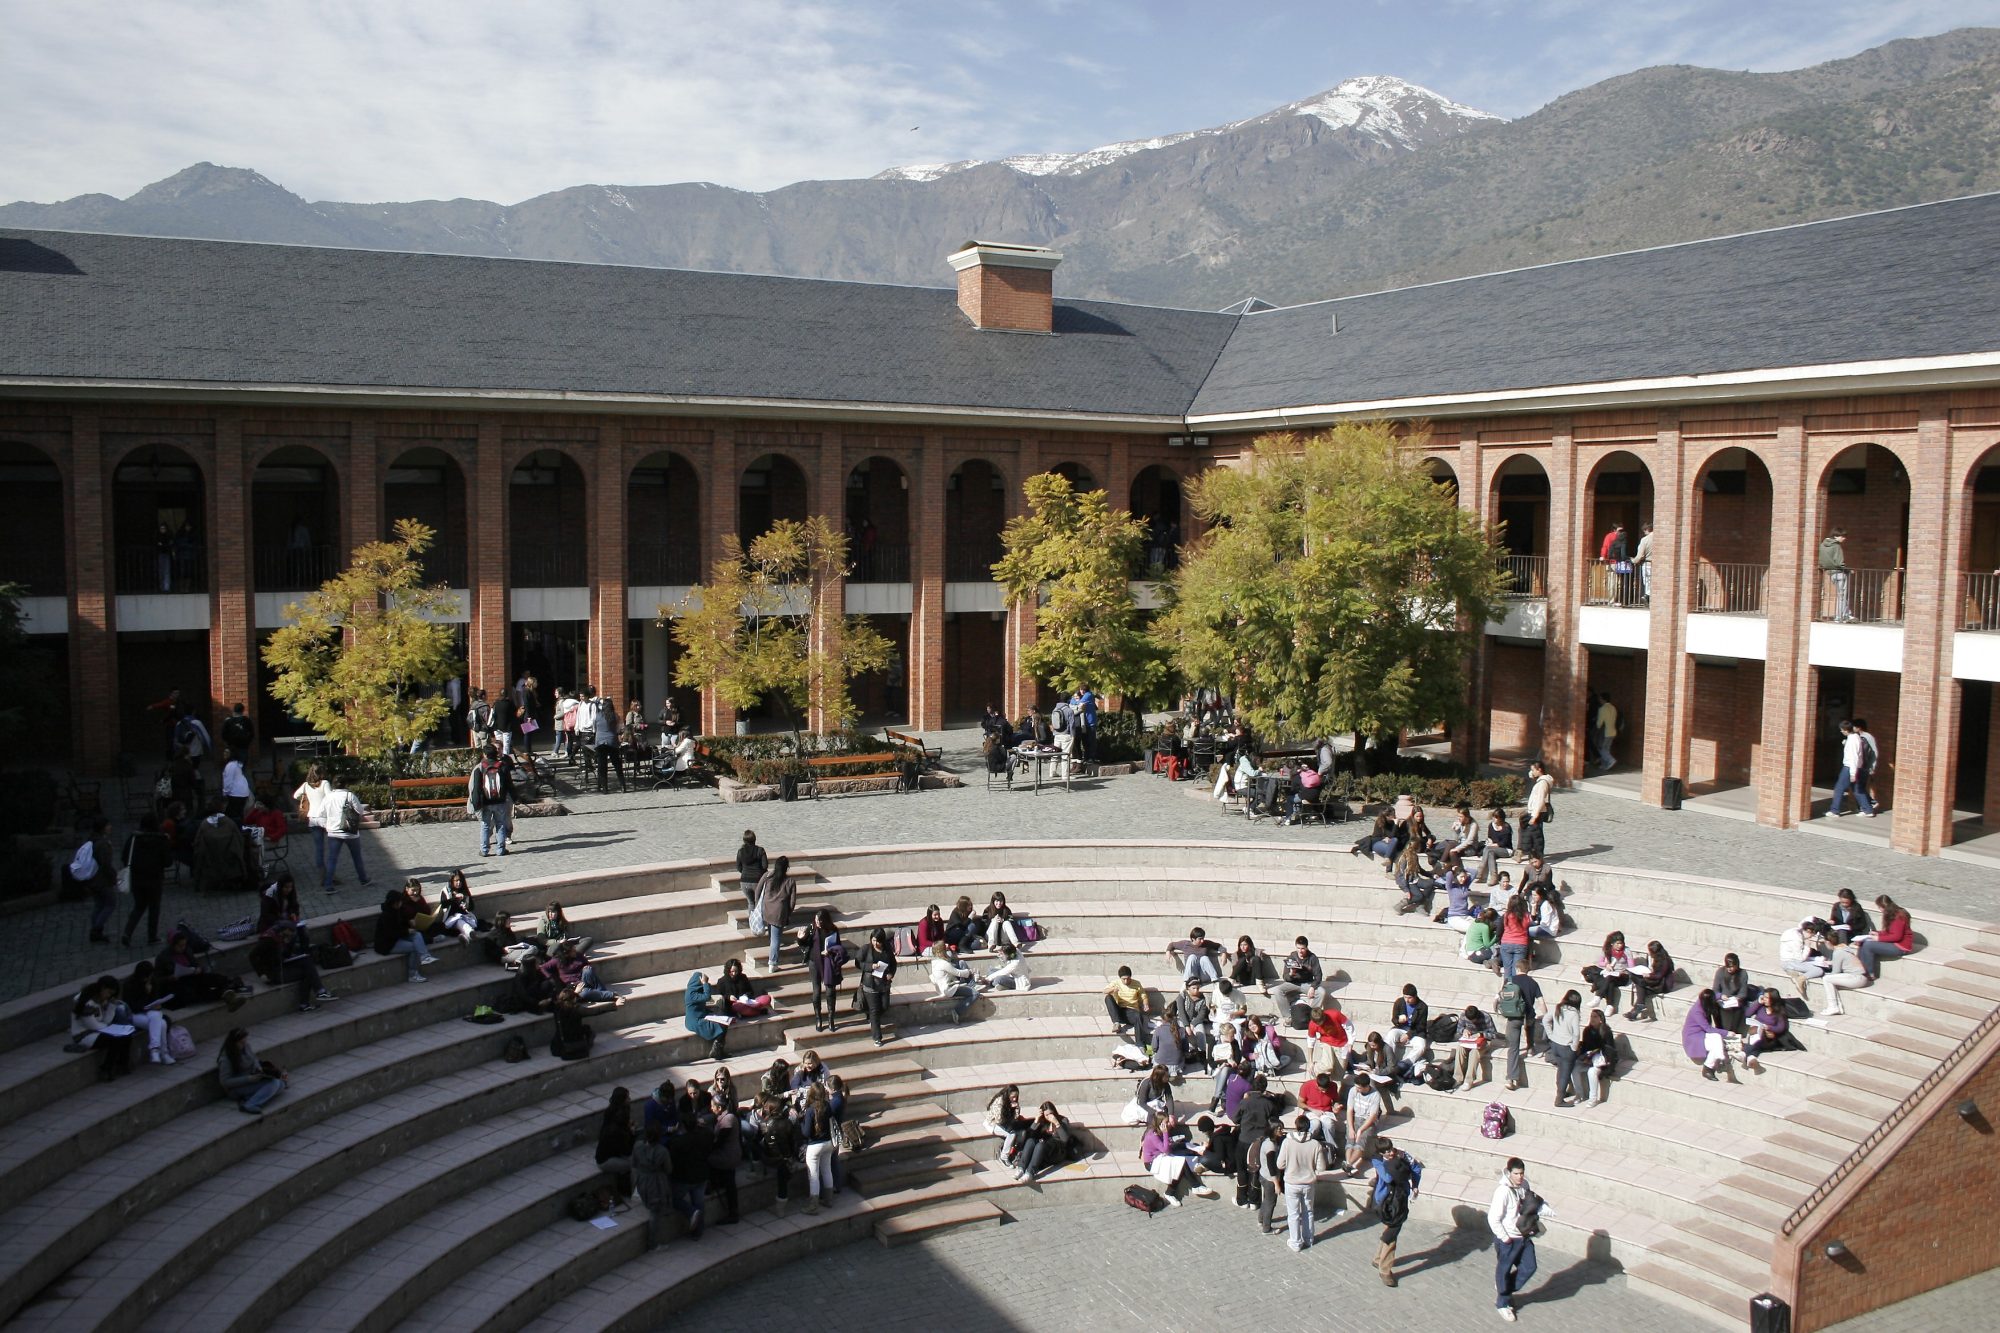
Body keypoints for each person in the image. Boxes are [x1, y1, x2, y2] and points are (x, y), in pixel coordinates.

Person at [1489, 1157, 1542, 1320]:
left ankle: (1504, 1288)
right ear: (1509, 1172)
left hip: (1524, 1235)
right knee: (1504, 1270)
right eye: (1516, 1173)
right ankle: (1503, 1303)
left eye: (1522, 1173)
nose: (1520, 1177)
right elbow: (1493, 1218)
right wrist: (1505, 1238)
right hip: (1509, 1238)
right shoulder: (1502, 1192)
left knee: (1530, 1266)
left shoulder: (1524, 1185)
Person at [1371, 1138, 1423, 1287]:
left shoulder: (1401, 1155)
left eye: (1391, 1149)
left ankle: (1378, 1259)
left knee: (1391, 1228)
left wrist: (1415, 1185)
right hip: (1385, 1200)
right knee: (1392, 1230)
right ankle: (1385, 1270)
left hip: (1399, 1198)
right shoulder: (1378, 1160)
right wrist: (1397, 1164)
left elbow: (1416, 1168)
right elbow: (1387, 1177)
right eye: (1386, 1151)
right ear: (1380, 1152)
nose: (1390, 1153)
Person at [1139, 1111, 1210, 1206]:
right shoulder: (1153, 1135)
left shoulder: (1157, 1131)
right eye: (1166, 1122)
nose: (1168, 1124)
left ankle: (1170, 1193)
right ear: (1160, 1124)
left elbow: (1165, 1145)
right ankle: (1195, 1186)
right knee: (1181, 1162)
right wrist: (1165, 1133)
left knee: (1180, 1163)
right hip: (1152, 1162)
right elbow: (1166, 1150)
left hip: (1160, 1156)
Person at [70, 975, 135, 1080]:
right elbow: (93, 1025)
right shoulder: (86, 1001)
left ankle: (122, 1064)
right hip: (84, 1035)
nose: (109, 997)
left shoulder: (102, 1000)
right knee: (115, 1039)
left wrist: (111, 1006)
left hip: (98, 1031)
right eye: (109, 993)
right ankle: (106, 1069)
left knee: (126, 1035)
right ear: (103, 988)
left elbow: (105, 1021)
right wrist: (109, 1028)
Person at [1276, 1114, 1322, 1251]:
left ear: (1296, 1126)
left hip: (1292, 1182)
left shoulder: (1287, 1142)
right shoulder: (1315, 1144)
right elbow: (1321, 1167)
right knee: (1308, 1211)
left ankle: (1295, 1242)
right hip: (1308, 1183)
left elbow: (1280, 1164)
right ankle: (1309, 1239)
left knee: (1293, 1213)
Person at [666, 1108, 713, 1238]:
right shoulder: (706, 1135)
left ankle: (691, 1212)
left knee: (674, 1199)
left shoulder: (677, 1142)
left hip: (684, 1178)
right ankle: (698, 1232)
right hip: (701, 1175)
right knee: (699, 1202)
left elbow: (672, 1159)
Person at [216, 1027, 286, 1114]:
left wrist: (258, 1068)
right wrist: (248, 1079)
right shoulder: (226, 1059)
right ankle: (250, 1104)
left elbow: (254, 1059)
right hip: (236, 1088)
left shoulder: (246, 1047)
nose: (244, 1044)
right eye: (241, 1043)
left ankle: (247, 1097)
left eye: (245, 1041)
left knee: (281, 1085)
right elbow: (224, 1081)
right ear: (233, 1043)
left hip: (252, 1078)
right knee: (274, 1083)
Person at [71, 817, 117, 945]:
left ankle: (96, 930)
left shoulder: (92, 841)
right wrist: (113, 877)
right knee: (110, 904)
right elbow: (106, 865)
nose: (110, 827)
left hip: (92, 879)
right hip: (102, 881)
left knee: (99, 905)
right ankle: (96, 930)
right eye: (108, 825)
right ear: (103, 828)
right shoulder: (103, 844)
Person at [374, 889, 436, 983]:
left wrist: (409, 922)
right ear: (394, 903)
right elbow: (392, 933)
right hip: (388, 944)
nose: (401, 903)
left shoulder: (397, 910)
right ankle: (412, 974)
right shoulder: (386, 916)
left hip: (398, 937)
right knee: (414, 947)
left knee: (417, 934)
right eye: (399, 901)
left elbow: (401, 923)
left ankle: (424, 956)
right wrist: (407, 931)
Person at [1499, 965, 1544, 1091]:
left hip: (1513, 1017)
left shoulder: (1509, 980)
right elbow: (1541, 1002)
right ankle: (1530, 1048)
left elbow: (1498, 997)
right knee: (1530, 1025)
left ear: (1517, 969)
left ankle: (1510, 1079)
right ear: (1527, 969)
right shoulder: (1533, 983)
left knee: (1513, 1048)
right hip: (1528, 1015)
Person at [319, 781, 370, 892]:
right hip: (350, 832)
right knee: (357, 857)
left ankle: (328, 885)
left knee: (332, 859)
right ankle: (363, 879)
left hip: (333, 832)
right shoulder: (349, 795)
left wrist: (327, 826)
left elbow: (321, 813)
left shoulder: (328, 797)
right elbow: (360, 811)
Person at [804, 909, 848, 1034]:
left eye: (820, 920)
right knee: (816, 992)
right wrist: (800, 938)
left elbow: (838, 947)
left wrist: (830, 951)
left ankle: (830, 1018)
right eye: (816, 920)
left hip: (828, 962)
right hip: (814, 962)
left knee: (830, 991)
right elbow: (804, 944)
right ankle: (818, 1019)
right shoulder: (812, 928)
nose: (817, 922)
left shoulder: (833, 930)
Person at [468, 746, 517, 857]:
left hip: (486, 802)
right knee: (500, 824)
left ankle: (484, 850)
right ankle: (501, 849)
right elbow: (509, 784)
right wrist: (515, 798)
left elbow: (476, 788)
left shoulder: (480, 768)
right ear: (496, 754)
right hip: (500, 801)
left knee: (485, 825)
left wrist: (475, 804)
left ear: (485, 755)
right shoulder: (503, 766)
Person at [752, 855, 798, 972]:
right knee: (776, 939)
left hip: (766, 909)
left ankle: (772, 951)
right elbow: (792, 902)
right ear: (787, 867)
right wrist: (788, 913)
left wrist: (758, 904)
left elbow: (757, 890)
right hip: (779, 913)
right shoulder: (790, 881)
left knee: (772, 935)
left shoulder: (767, 876)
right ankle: (773, 963)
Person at [799, 1082, 837, 1215]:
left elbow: (806, 1133)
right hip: (828, 1143)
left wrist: (801, 1123)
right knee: (827, 1170)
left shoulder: (810, 1110)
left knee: (813, 1175)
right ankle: (829, 1200)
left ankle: (813, 1206)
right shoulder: (828, 1106)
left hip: (815, 1146)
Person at [1270, 936, 1325, 1027]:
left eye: (1303, 948)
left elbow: (1318, 976)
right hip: (1293, 983)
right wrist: (1291, 974)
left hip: (1307, 983)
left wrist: (1312, 987)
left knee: (1321, 992)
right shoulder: (1292, 956)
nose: (1300, 951)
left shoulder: (1312, 958)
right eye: (1298, 948)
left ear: (1306, 947)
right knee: (1277, 990)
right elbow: (1285, 977)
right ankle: (1288, 1017)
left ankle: (1312, 1015)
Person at [1683, 987, 1735, 1082]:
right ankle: (1708, 1068)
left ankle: (1719, 1058)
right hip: (1694, 1038)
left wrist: (1720, 996)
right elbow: (1708, 1028)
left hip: (1701, 1034)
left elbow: (1711, 994)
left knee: (1717, 1038)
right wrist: (1727, 1033)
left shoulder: (1703, 1000)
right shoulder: (1697, 1012)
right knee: (1715, 1045)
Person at [857, 927, 897, 1046]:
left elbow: (893, 963)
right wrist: (870, 967)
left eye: (878, 941)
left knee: (884, 1006)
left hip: (884, 984)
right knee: (874, 1011)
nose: (876, 943)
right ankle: (877, 1037)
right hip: (870, 985)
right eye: (873, 940)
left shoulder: (887, 949)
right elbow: (858, 963)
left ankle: (872, 1018)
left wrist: (891, 974)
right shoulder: (866, 949)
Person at [1858, 895, 1914, 978]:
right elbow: (1890, 932)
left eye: (1879, 907)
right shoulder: (1891, 914)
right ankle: (1860, 970)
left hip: (1901, 946)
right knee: (1863, 942)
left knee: (1868, 945)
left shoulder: (1899, 916)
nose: (1879, 909)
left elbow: (1896, 936)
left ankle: (1869, 973)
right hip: (1894, 943)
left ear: (1884, 907)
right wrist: (1878, 933)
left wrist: (1878, 938)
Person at [596, 1087, 636, 1205]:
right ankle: (634, 1192)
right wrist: (631, 1133)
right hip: (605, 1160)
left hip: (613, 1152)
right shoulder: (617, 1132)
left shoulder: (611, 1114)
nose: (629, 1099)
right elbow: (626, 1150)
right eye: (627, 1097)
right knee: (635, 1164)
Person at [1014, 1101, 1074, 1181]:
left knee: (1040, 1145)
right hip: (1044, 1150)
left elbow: (1065, 1139)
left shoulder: (1063, 1120)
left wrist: (1057, 1123)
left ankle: (1030, 1172)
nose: (1049, 1117)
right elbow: (1029, 1136)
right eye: (1046, 1115)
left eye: (1051, 1114)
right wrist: (1036, 1121)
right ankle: (1021, 1168)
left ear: (1054, 1112)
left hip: (1057, 1151)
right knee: (1030, 1141)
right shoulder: (1043, 1121)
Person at [1828, 720, 1875, 818]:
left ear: (1845, 730)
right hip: (1858, 767)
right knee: (1857, 789)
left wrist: (1853, 773)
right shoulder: (1856, 737)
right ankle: (1867, 810)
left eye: (1842, 730)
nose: (1841, 732)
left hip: (1850, 767)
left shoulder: (1852, 740)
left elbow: (1853, 757)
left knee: (1839, 788)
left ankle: (1834, 810)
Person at [292, 763, 333, 873]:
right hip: (324, 817)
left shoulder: (306, 785)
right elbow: (330, 798)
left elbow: (295, 795)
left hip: (312, 818)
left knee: (319, 847)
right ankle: (330, 872)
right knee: (333, 845)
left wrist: (306, 798)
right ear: (321, 773)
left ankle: (322, 872)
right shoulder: (324, 783)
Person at [1343, 1070, 1386, 1174]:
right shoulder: (1353, 1090)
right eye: (1356, 1087)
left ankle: (1348, 1164)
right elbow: (1349, 1110)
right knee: (1350, 1140)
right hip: (1356, 1117)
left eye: (1359, 1088)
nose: (1357, 1089)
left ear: (1366, 1086)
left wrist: (1360, 1130)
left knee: (1360, 1141)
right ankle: (1349, 1166)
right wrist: (1351, 1128)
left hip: (1368, 1121)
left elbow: (1372, 1116)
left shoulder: (1375, 1095)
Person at [1545, 990, 1583, 1108]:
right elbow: (1576, 1034)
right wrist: (1574, 1046)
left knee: (1560, 1069)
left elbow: (1545, 1020)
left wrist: (1551, 1035)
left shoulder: (1558, 1007)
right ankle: (1559, 1100)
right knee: (1565, 1073)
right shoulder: (1574, 1013)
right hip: (1566, 1047)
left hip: (1555, 1045)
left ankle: (1560, 1092)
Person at [1816, 941, 1872, 1016]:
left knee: (1826, 979)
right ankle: (1838, 1007)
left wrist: (1823, 973)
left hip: (1857, 978)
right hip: (1860, 977)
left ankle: (1833, 1007)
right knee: (1831, 982)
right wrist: (1831, 963)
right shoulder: (1843, 948)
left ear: (1828, 942)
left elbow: (1835, 972)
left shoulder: (1837, 952)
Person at [1575, 1007, 1618, 1106]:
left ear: (1600, 1019)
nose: (1592, 1019)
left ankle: (1593, 1099)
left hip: (1602, 1062)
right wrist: (1585, 1056)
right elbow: (1586, 1047)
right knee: (1574, 1068)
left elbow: (1609, 1051)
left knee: (1591, 1072)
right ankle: (1579, 1094)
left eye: (1595, 1017)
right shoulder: (1587, 1030)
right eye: (1591, 1016)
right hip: (1590, 1059)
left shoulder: (1606, 1032)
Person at [1779, 917, 1831, 997]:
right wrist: (1807, 945)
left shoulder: (1795, 931)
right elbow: (1800, 959)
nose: (1810, 938)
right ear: (1808, 931)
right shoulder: (1796, 939)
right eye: (1811, 936)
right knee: (1819, 971)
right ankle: (1801, 979)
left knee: (1821, 960)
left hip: (1792, 959)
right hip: (1789, 962)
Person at [928, 942, 978, 1022]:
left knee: (961, 963)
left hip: (941, 988)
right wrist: (970, 971)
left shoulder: (934, 962)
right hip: (948, 990)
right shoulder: (944, 964)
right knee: (975, 994)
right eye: (945, 948)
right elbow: (959, 973)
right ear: (943, 951)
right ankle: (957, 1011)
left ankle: (971, 985)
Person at [1743, 989, 1791, 1071]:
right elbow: (1747, 1014)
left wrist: (1769, 1027)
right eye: (1763, 997)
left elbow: (1781, 1027)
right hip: (1755, 1034)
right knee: (1755, 1029)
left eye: (1766, 997)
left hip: (1768, 1038)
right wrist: (1758, 1003)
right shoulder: (1761, 1007)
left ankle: (1743, 1053)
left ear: (1773, 999)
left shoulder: (1779, 1011)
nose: (1764, 999)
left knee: (1758, 1034)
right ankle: (1751, 1058)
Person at [1626, 940, 1674, 1021]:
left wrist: (1649, 975)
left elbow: (1659, 975)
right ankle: (1636, 1009)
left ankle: (1636, 1009)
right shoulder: (1654, 958)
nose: (1649, 953)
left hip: (1662, 984)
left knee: (1640, 983)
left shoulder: (1665, 961)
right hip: (1655, 981)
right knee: (1639, 983)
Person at [1585, 931, 1633, 1010]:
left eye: (1621, 943)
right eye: (1617, 944)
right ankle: (1609, 1006)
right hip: (1611, 973)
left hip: (1622, 975)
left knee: (1608, 978)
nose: (1620, 946)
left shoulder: (1627, 951)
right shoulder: (1606, 950)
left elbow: (1632, 966)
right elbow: (1600, 962)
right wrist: (1606, 965)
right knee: (1610, 981)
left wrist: (1625, 971)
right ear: (1612, 943)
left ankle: (1598, 997)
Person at [1454, 1005, 1496, 1090]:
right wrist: (1463, 1031)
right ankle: (1457, 1078)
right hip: (1469, 1040)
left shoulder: (1486, 1017)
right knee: (1459, 1048)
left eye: (1473, 1021)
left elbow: (1494, 1034)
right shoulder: (1463, 1015)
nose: (1472, 1023)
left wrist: (1482, 1034)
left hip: (1483, 1041)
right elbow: (1458, 1029)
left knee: (1474, 1052)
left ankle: (1468, 1081)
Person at [1103, 965, 1152, 1039]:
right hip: (1119, 1011)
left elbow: (1143, 996)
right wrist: (1113, 989)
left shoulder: (1136, 984)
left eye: (1128, 979)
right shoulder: (1116, 983)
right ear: (1120, 978)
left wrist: (1146, 1004)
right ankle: (1116, 1023)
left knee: (1138, 1016)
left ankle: (1139, 1043)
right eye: (1124, 979)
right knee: (1108, 997)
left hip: (1131, 1012)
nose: (1126, 981)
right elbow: (1105, 991)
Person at [1518, 760, 1554, 861]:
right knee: (1533, 833)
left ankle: (1537, 855)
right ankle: (1533, 854)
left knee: (1536, 835)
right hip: (1535, 812)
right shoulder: (1541, 780)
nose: (1532, 772)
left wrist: (1534, 816)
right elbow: (1531, 775)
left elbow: (1540, 800)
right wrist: (1532, 771)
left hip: (1537, 812)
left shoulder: (1542, 783)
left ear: (1539, 770)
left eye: (1533, 770)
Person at [1712, 953, 1752, 1034]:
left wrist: (1737, 998)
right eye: (1728, 967)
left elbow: (1743, 993)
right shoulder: (1720, 972)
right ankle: (1719, 1028)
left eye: (1732, 967)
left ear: (1736, 965)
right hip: (1723, 999)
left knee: (1739, 1006)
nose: (1729, 969)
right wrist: (1721, 996)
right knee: (1713, 1004)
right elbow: (1715, 990)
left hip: (1735, 1000)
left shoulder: (1743, 973)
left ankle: (1734, 1030)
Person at [1497, 894, 1532, 981]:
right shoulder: (1526, 916)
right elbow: (1530, 924)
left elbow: (1499, 929)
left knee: (1507, 970)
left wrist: (1499, 941)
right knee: (1517, 969)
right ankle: (1515, 989)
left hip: (1506, 943)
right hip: (1521, 944)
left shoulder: (1506, 915)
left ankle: (1507, 990)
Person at [1820, 527, 1851, 622]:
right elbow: (1839, 562)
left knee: (1841, 595)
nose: (1844, 538)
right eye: (1842, 536)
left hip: (1831, 573)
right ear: (1836, 536)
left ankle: (1846, 614)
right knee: (1842, 595)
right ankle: (1840, 616)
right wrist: (1848, 570)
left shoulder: (1823, 545)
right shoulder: (1836, 546)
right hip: (1840, 572)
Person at [1476, 807, 1514, 885]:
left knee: (1489, 849)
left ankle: (1480, 871)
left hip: (1506, 850)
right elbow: (1490, 837)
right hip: (1492, 849)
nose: (1494, 819)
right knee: (1490, 853)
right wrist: (1490, 842)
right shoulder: (1491, 825)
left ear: (1501, 818)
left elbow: (1503, 843)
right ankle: (1494, 877)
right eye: (1493, 817)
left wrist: (1492, 845)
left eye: (1496, 817)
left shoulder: (1506, 828)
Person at [735, 830, 768, 915]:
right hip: (757, 881)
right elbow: (765, 866)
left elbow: (738, 867)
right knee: (758, 902)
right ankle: (760, 924)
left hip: (744, 881)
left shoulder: (740, 851)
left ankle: (752, 923)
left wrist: (745, 872)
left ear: (744, 840)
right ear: (754, 839)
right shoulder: (760, 850)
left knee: (751, 903)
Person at [1633, 521, 1655, 602]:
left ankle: (1647, 596)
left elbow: (1640, 555)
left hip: (1647, 564)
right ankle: (1649, 597)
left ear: (1647, 529)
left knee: (1647, 582)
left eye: (1644, 530)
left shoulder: (1645, 540)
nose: (1644, 532)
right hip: (1657, 565)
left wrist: (1634, 561)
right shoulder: (1659, 539)